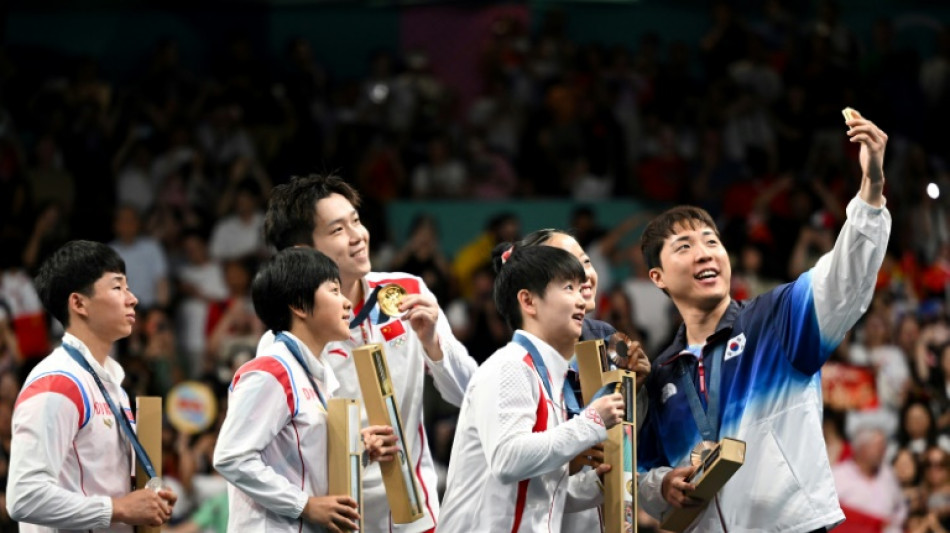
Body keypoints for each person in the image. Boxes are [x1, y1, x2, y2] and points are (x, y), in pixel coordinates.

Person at [636, 110, 891, 531]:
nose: (705, 253)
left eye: (712, 241)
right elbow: (643, 473)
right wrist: (663, 485)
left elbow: (846, 278)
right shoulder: (662, 373)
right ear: (657, 277)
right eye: (684, 246)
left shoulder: (776, 318)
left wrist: (872, 191)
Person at [262, 174, 477, 532]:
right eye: (336, 230)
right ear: (302, 252)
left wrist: (434, 345)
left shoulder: (407, 292)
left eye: (356, 222)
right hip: (337, 514)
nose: (358, 236)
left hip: (414, 509)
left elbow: (468, 393)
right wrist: (350, 445)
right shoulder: (286, 337)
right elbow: (281, 446)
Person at [438, 245, 625, 532]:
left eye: (581, 289)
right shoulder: (510, 366)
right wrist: (593, 420)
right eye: (569, 288)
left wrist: (596, 484)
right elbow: (508, 460)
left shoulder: (550, 379)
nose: (582, 300)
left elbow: (536, 493)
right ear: (528, 301)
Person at [214, 247, 395, 532]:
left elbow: (304, 466)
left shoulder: (317, 375)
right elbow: (231, 457)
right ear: (299, 304)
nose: (347, 303)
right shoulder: (271, 372)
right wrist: (305, 505)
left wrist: (359, 453)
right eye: (334, 291)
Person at [6, 240, 177, 531]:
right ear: (78, 303)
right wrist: (120, 508)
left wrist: (142, 498)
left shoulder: (113, 386)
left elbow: (97, 482)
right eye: (117, 287)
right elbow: (24, 497)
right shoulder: (57, 383)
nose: (132, 298)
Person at [516, 228, 651, 532]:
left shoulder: (605, 338)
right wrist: (569, 455)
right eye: (567, 267)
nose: (585, 274)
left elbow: (625, 442)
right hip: (540, 516)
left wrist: (634, 391)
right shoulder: (518, 359)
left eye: (586, 262)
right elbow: (512, 460)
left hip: (603, 512)